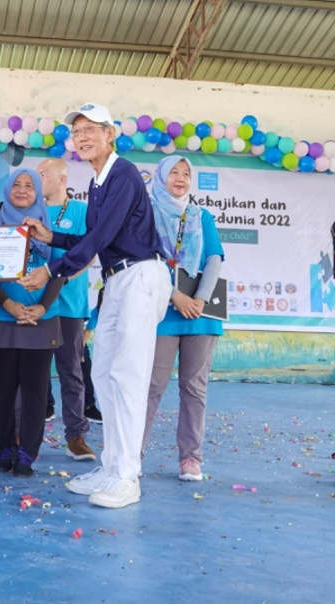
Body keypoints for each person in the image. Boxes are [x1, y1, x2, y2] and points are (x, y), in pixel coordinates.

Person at [22, 103, 170, 508]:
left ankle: (127, 477)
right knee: (103, 373)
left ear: (110, 134)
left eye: (91, 129)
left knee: (128, 376)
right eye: (77, 131)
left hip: (140, 276)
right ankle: (111, 467)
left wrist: (51, 270)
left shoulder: (123, 173)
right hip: (116, 279)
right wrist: (51, 237)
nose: (82, 137)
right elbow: (92, 238)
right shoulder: (98, 182)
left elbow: (99, 238)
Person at [0, 168, 64, 478]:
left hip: (42, 320)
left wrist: (41, 306)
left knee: (35, 392)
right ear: (7, 190)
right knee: (2, 389)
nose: (23, 190)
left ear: (38, 192)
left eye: (29, 185)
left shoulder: (49, 229)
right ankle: (4, 451)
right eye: (17, 184)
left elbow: (60, 271)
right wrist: (9, 305)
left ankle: (27, 453)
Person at [141, 155, 225, 482]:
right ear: (161, 177)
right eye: (173, 172)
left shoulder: (202, 216)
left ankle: (191, 458)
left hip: (201, 315)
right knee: (152, 385)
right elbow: (147, 258)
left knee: (194, 387)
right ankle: (132, 454)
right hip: (163, 310)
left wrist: (199, 299)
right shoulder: (147, 214)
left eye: (186, 173)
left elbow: (214, 258)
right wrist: (175, 295)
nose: (180, 178)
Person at [37, 157, 97, 461]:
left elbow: (90, 251)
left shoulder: (81, 211)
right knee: (33, 373)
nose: (37, 179)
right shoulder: (30, 211)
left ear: (62, 179)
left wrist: (66, 275)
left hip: (69, 305)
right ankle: (26, 434)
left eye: (43, 174)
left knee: (71, 371)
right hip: (34, 305)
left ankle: (76, 436)